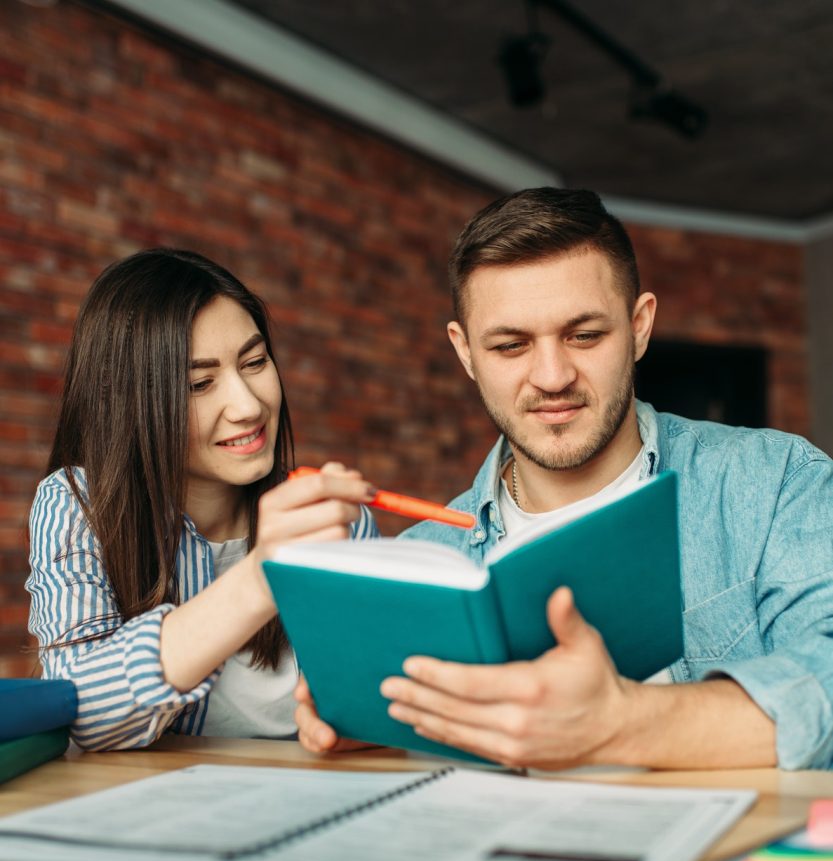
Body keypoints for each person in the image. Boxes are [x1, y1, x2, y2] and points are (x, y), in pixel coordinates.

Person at [295, 187, 833, 771]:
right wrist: (377, 724)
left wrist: (617, 724)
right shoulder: (427, 560)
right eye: (510, 345)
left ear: (640, 327)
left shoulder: (775, 483)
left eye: (584, 336)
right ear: (466, 353)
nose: (552, 377)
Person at [26, 247, 377, 751]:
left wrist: (363, 723)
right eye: (199, 383)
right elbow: (82, 711)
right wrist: (259, 579)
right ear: (130, 400)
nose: (247, 405)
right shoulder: (80, 505)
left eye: (255, 362)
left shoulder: (329, 517)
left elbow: (368, 701)